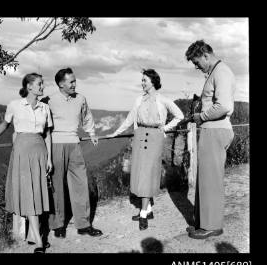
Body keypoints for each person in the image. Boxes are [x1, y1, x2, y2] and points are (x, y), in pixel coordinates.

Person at [0, 73, 53, 253]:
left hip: (39, 151)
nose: (42, 87)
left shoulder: (44, 108)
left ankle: (33, 235)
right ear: (29, 87)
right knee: (29, 193)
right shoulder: (15, 105)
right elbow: (4, 124)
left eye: (42, 84)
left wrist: (49, 158)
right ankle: (39, 243)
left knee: (38, 193)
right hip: (21, 151)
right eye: (40, 84)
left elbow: (48, 134)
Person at [107, 69, 184, 230]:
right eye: (142, 80)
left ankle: (143, 214)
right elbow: (130, 119)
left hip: (155, 137)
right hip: (140, 135)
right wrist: (116, 132)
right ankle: (148, 209)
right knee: (140, 172)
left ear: (153, 82)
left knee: (149, 173)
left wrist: (165, 128)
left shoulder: (163, 100)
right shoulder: (138, 100)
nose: (142, 83)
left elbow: (180, 116)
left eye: (144, 80)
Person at [185, 40, 235, 239]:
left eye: (197, 62)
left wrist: (201, 117)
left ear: (205, 55)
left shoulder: (221, 72)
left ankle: (212, 225)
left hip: (215, 130)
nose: (197, 67)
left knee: (211, 180)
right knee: (205, 179)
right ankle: (202, 223)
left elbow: (223, 106)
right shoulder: (215, 72)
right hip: (211, 130)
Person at [44, 67, 103, 238]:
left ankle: (83, 224)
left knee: (80, 184)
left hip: (74, 144)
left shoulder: (81, 99)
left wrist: (91, 133)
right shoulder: (49, 100)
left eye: (75, 81)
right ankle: (58, 225)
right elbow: (40, 122)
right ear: (61, 84)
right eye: (71, 82)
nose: (75, 84)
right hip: (55, 145)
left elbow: (87, 117)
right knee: (56, 186)